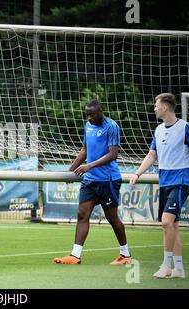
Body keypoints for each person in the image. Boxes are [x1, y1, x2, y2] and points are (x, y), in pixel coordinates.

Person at [129, 93, 189, 279]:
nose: (154, 108)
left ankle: (166, 265)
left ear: (165, 107)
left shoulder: (185, 128)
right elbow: (151, 155)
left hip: (180, 181)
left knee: (166, 221)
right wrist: (137, 173)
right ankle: (179, 269)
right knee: (173, 226)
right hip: (164, 181)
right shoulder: (158, 130)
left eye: (156, 105)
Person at [54, 100, 131, 265]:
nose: (88, 117)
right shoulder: (88, 126)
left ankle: (125, 254)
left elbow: (113, 154)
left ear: (100, 111)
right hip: (90, 180)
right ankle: (75, 255)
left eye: (92, 114)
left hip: (108, 180)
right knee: (82, 214)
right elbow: (85, 150)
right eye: (87, 114)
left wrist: (89, 166)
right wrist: (71, 171)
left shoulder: (111, 126)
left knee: (111, 217)